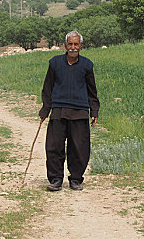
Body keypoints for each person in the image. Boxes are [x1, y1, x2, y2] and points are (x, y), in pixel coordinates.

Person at [39, 30, 100, 191]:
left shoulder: (87, 65)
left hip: (79, 112)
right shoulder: (55, 63)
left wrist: (94, 111)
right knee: (54, 147)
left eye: (76, 44)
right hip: (59, 110)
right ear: (65, 45)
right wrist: (45, 109)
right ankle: (56, 179)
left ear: (81, 46)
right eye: (70, 44)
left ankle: (76, 179)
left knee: (79, 148)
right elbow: (47, 88)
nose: (73, 47)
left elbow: (92, 91)